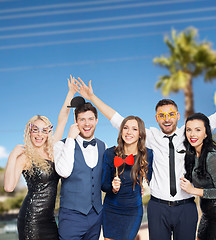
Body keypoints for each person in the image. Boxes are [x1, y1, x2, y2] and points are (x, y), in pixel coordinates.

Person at [74, 65, 216, 240]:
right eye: (162, 115)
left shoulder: (191, 132)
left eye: (171, 114)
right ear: (156, 118)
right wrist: (92, 98)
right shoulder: (150, 136)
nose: (167, 119)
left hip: (187, 207)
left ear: (178, 115)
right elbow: (118, 120)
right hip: (158, 208)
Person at [4, 76, 77, 240]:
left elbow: (63, 119)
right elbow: (8, 187)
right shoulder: (25, 157)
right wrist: (12, 156)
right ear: (29, 131)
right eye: (35, 130)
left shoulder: (52, 149)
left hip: (50, 219)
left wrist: (70, 92)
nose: (39, 134)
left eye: (44, 130)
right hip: (31, 219)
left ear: (48, 133)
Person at [53, 96, 106, 240]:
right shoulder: (61, 145)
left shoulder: (103, 146)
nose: (87, 123)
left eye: (90, 119)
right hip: (71, 217)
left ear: (96, 120)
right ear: (76, 122)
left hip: (96, 216)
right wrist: (70, 139)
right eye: (82, 119)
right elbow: (63, 172)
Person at [180, 113, 216, 240]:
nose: (192, 134)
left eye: (198, 130)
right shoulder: (192, 156)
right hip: (206, 216)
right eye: (189, 130)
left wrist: (193, 190)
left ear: (206, 134)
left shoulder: (212, 156)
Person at [101, 115, 153, 240]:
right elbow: (103, 185)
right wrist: (112, 188)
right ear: (121, 131)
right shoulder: (109, 153)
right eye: (125, 128)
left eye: (134, 129)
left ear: (140, 134)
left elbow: (151, 179)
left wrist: (142, 185)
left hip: (133, 211)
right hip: (111, 209)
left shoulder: (148, 154)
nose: (129, 132)